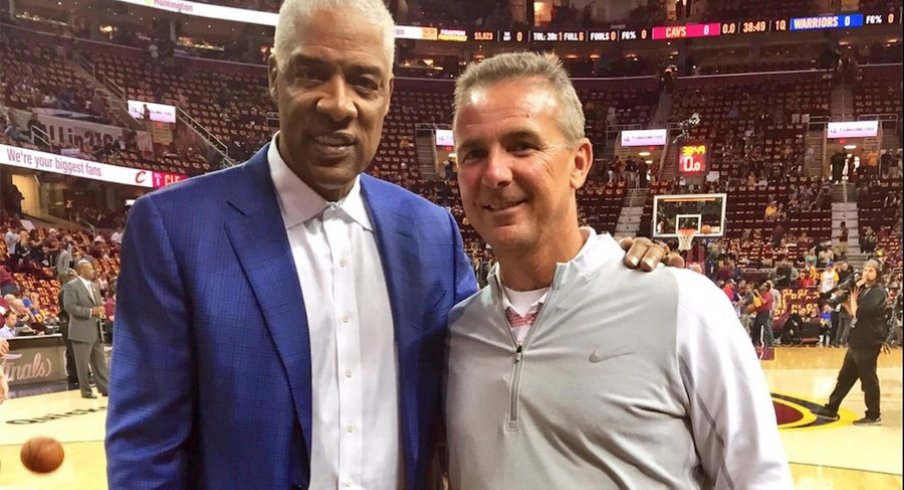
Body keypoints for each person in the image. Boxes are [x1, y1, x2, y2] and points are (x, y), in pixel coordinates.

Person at [105, 2, 666, 488]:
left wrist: (605, 270)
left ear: (388, 95)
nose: (339, 104)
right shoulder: (176, 228)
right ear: (272, 75)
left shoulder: (428, 231)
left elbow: (503, 351)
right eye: (311, 74)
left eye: (364, 81)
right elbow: (145, 451)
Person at [444, 52, 791, 489]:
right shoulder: (457, 333)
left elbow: (758, 479)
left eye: (522, 145)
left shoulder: (685, 306)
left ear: (579, 163)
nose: (494, 172)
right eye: (474, 153)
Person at [818, 259, 889, 425]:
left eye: (871, 270)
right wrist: (845, 301)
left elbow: (860, 313)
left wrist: (854, 299)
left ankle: (873, 415)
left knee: (868, 380)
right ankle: (831, 407)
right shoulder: (864, 290)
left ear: (878, 274)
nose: (866, 273)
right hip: (857, 341)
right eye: (865, 269)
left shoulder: (878, 292)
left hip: (869, 342)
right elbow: (853, 314)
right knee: (845, 377)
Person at [62, 260, 109, 399]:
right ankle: (86, 391)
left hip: (96, 329)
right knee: (82, 365)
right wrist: (90, 312)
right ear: (82, 270)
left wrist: (100, 309)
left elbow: (98, 305)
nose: (93, 271)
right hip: (81, 330)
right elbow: (69, 306)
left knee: (100, 362)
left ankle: (105, 388)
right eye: (90, 269)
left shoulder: (94, 286)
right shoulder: (71, 286)